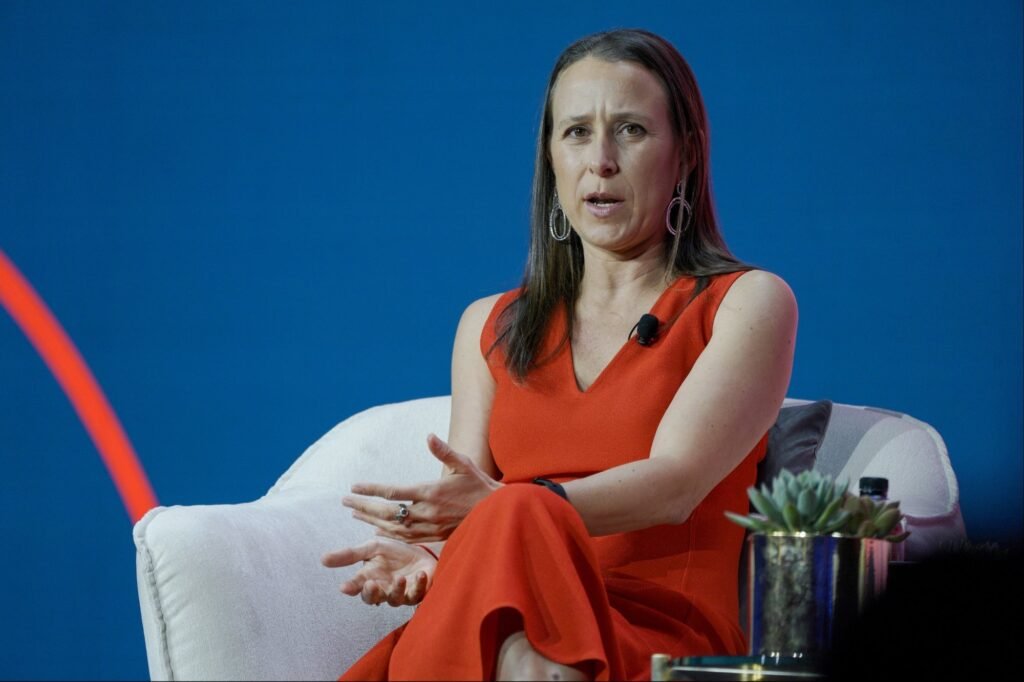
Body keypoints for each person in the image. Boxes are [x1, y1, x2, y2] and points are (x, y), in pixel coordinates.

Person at [321, 28, 797, 681]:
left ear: (686, 153)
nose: (601, 160)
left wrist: (510, 508)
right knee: (508, 590)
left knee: (518, 522)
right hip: (498, 607)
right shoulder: (490, 325)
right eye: (576, 133)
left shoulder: (745, 302)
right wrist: (430, 555)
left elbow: (677, 484)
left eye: (630, 130)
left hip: (656, 637)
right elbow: (464, 502)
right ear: (550, 157)